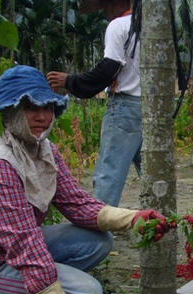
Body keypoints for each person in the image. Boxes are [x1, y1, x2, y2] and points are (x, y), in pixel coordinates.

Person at [0, 65, 169, 294]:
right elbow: (25, 245)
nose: (42, 116)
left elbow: (76, 203)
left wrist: (132, 218)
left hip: (5, 250)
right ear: (7, 111)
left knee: (97, 241)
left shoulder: (40, 148)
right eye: (30, 107)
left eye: (47, 107)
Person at [47, 0, 140, 207]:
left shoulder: (119, 26)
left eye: (106, 8)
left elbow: (108, 70)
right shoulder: (150, 28)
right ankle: (164, 224)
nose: (106, 14)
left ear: (116, 4)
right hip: (153, 110)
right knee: (153, 173)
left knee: (109, 174)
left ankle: (99, 232)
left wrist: (71, 81)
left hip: (125, 108)